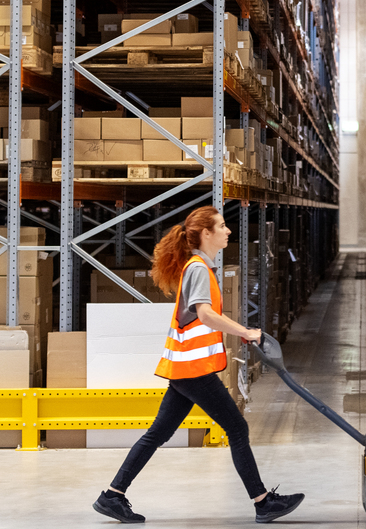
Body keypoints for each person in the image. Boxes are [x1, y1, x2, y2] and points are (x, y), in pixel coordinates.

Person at [94, 206, 303, 524]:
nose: (228, 231)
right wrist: (246, 332)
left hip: (186, 367)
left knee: (158, 433)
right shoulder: (199, 270)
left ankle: (112, 495)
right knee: (236, 427)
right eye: (221, 226)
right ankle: (263, 502)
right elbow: (204, 313)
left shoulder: (199, 266)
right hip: (193, 369)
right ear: (206, 233)